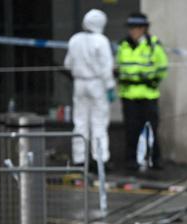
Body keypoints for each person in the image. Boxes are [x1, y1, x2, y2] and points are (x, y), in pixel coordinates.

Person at [116, 12, 168, 171]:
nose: (133, 31)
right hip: (129, 95)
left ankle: (154, 159)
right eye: (131, 28)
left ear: (144, 28)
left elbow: (162, 67)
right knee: (131, 129)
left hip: (148, 94)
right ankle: (132, 161)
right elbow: (119, 67)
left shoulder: (154, 45)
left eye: (137, 28)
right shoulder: (123, 45)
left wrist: (153, 81)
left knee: (151, 129)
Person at [64, 9, 115, 169]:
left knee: (80, 122)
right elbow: (107, 67)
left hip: (79, 84)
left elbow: (67, 64)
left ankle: (79, 159)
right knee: (98, 123)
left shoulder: (74, 39)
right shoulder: (101, 40)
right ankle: (100, 159)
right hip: (97, 84)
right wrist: (110, 87)